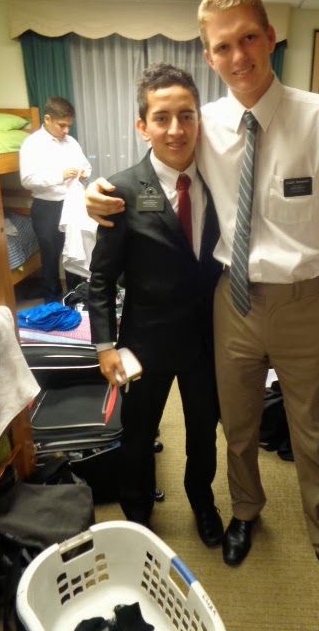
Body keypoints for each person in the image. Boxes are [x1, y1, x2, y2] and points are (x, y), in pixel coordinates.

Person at [85, 0, 319, 623]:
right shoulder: (204, 122)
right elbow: (153, 167)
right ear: (209, 55)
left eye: (248, 38)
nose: (238, 55)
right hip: (231, 303)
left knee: (316, 433)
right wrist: (93, 195)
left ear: (270, 37)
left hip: (304, 301)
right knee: (236, 425)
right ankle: (244, 513)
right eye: (222, 45)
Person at [87, 63, 224, 547]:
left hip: (207, 337)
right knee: (139, 434)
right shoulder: (119, 191)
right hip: (144, 339)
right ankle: (138, 511)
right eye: (162, 118)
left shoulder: (221, 181)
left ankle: (202, 501)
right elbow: (101, 278)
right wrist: (104, 346)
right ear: (142, 126)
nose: (175, 129)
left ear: (198, 120)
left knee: (204, 431)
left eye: (186, 116)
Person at [20, 97, 92, 304]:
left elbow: (87, 166)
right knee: (50, 258)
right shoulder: (32, 144)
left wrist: (84, 173)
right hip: (47, 208)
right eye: (62, 125)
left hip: (73, 205)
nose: (66, 130)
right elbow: (26, 180)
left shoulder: (71, 143)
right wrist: (60, 175)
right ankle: (52, 304)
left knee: (74, 253)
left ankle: (75, 299)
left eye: (69, 125)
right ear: (47, 119)